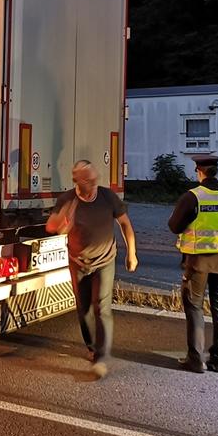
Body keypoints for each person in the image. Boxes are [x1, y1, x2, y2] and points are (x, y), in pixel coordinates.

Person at [47, 160, 138, 379]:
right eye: (88, 180)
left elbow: (125, 224)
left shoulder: (107, 197)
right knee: (84, 308)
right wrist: (62, 223)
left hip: (105, 260)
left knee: (102, 308)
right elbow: (51, 226)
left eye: (95, 178)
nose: (94, 182)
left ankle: (101, 356)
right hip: (78, 262)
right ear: (77, 180)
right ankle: (91, 346)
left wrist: (131, 253)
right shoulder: (67, 199)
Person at [167, 155, 218, 374]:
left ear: (199, 171)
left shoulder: (192, 197)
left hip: (198, 261)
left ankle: (196, 359)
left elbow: (174, 226)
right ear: (216, 171)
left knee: (194, 307)